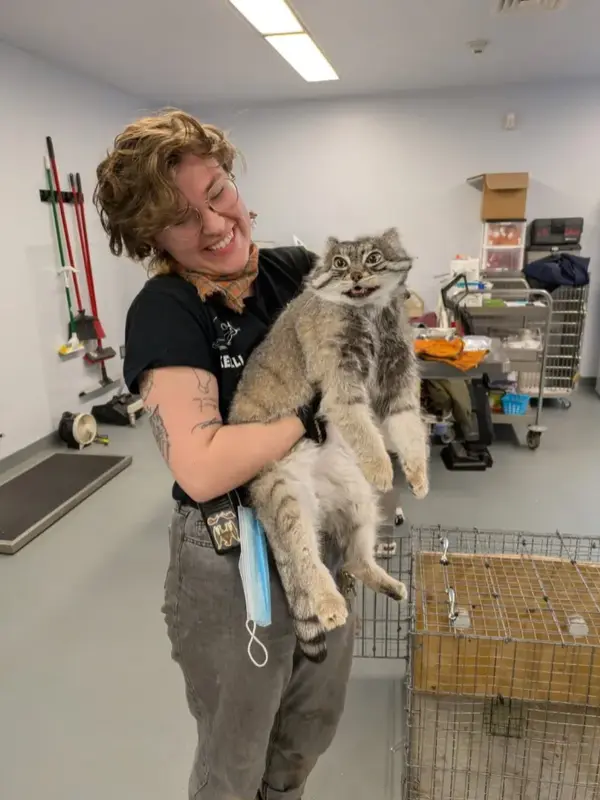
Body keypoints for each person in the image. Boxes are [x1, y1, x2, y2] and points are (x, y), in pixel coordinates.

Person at [94, 109, 355, 800]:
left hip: (320, 536)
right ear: (151, 238)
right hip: (234, 558)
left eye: (217, 193)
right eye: (182, 219)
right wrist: (307, 415)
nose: (214, 224)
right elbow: (204, 464)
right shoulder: (166, 309)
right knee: (234, 760)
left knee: (308, 729)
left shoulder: (293, 270)